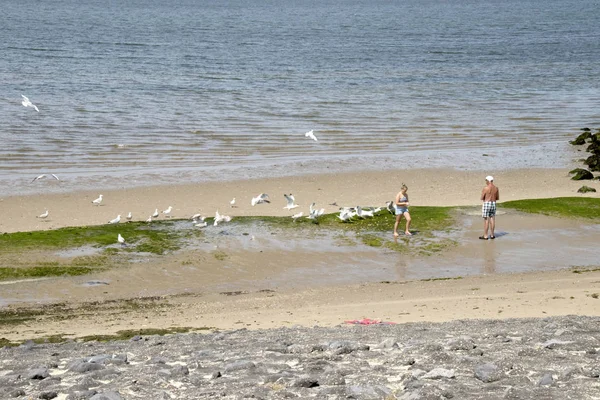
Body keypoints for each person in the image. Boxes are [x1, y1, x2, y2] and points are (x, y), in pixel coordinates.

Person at [480, 175, 499, 240]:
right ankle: (492, 235)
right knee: (492, 218)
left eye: (486, 181)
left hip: (487, 203)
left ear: (488, 181)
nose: (485, 182)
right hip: (493, 203)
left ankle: (485, 235)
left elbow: (482, 197)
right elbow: (497, 198)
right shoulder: (496, 188)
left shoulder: (486, 188)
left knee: (486, 219)